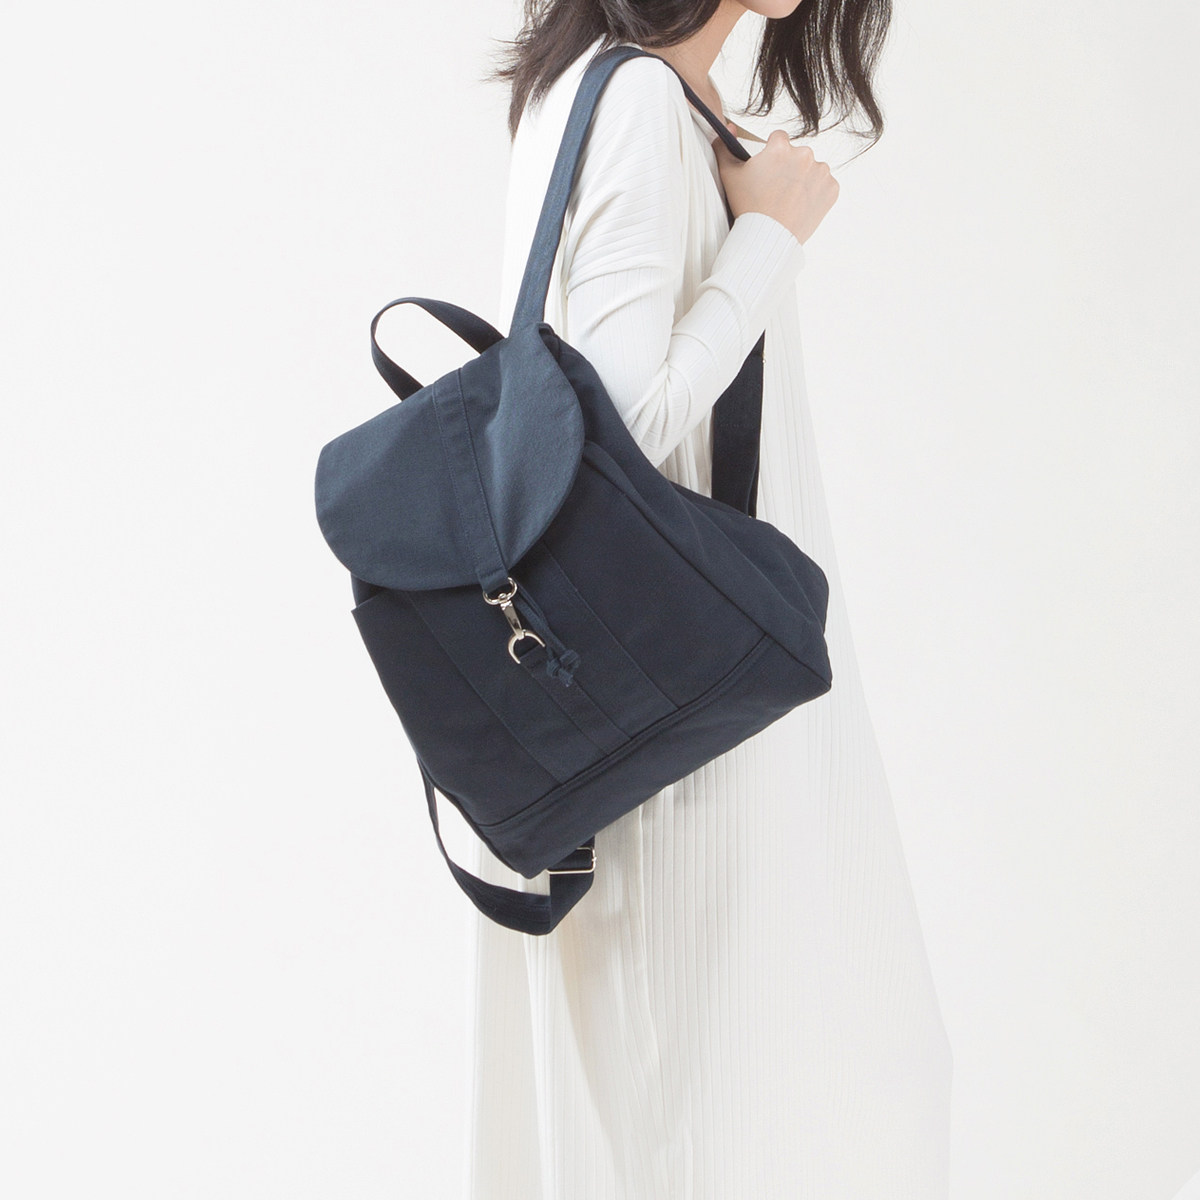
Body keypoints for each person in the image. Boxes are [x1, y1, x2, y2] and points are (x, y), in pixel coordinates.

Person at [464, 3, 954, 1196]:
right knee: (722, 1123)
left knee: (736, 1109)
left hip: (686, 703)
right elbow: (625, 426)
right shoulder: (635, 100)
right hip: (683, 732)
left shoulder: (622, 92)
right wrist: (768, 239)